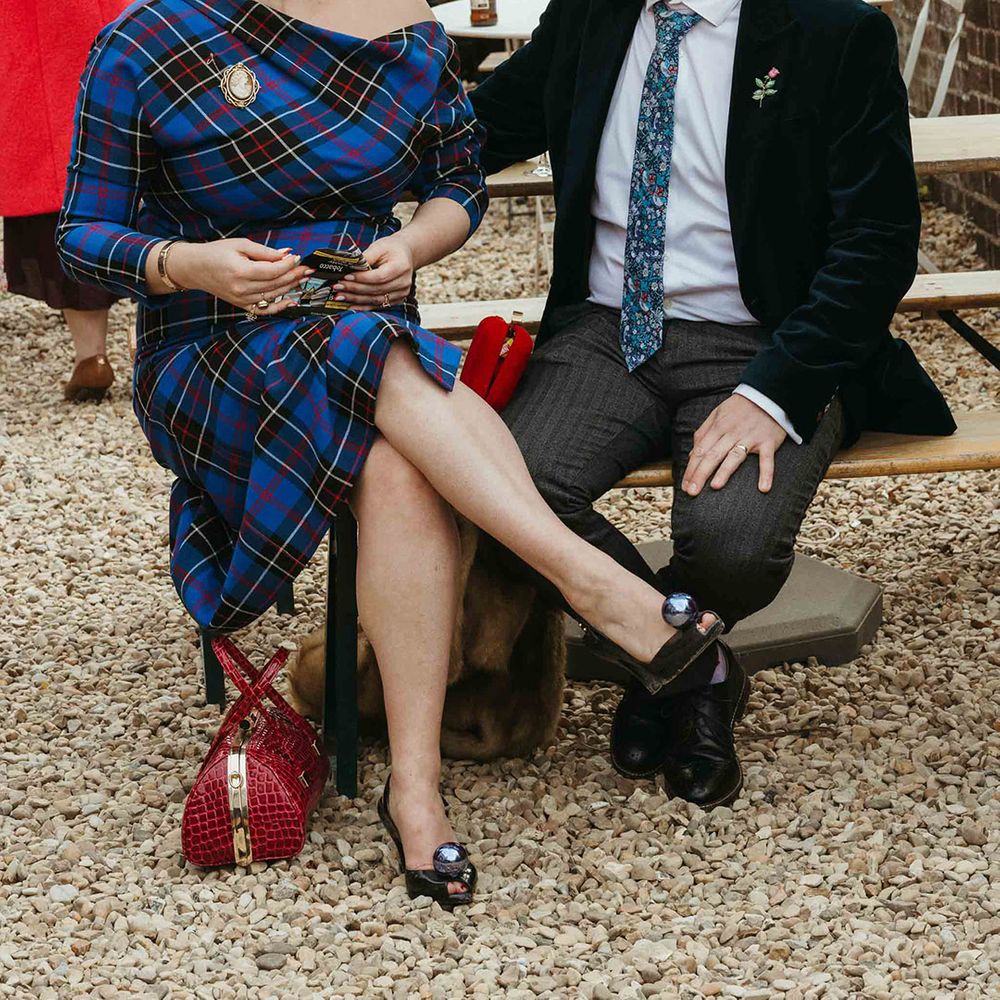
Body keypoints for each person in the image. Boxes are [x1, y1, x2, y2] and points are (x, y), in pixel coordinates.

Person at [58, 0, 725, 907]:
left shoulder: (413, 29)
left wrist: (409, 247)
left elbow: (459, 185)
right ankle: (594, 583)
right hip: (210, 346)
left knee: (396, 457)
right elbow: (80, 237)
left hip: (368, 332)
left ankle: (415, 791)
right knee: (376, 357)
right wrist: (191, 263)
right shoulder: (149, 34)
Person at [470, 0, 955, 809]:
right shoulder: (591, 15)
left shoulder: (835, 32)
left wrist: (776, 391)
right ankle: (696, 673)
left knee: (733, 547)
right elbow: (469, 132)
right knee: (501, 489)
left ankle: (657, 670)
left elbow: (878, 241)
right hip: (605, 332)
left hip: (764, 341)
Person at [0, 0, 130, 400]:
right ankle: (153, 338)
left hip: (30, 38)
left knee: (57, 191)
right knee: (135, 168)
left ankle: (92, 356)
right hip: (109, 28)